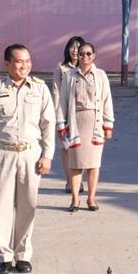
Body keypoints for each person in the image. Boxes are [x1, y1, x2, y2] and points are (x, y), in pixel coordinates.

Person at [0, 43, 56, 274]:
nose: (25, 66)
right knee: (2, 207)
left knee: (28, 206)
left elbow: (48, 124)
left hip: (31, 154)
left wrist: (47, 155)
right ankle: (4, 256)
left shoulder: (40, 89)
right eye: (19, 61)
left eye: (28, 61)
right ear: (7, 63)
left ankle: (22, 254)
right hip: (2, 153)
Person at [60, 40, 115, 212]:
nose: (84, 56)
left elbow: (107, 100)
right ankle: (75, 199)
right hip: (76, 122)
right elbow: (63, 102)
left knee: (93, 163)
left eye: (88, 53)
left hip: (95, 124)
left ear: (94, 56)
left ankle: (91, 198)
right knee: (75, 164)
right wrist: (62, 125)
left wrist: (108, 125)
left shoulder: (100, 75)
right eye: (82, 53)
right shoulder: (69, 76)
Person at [55, 35, 88, 195]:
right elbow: (56, 92)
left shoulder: (87, 68)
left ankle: (79, 180)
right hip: (66, 114)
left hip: (83, 116)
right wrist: (58, 118)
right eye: (72, 47)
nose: (75, 50)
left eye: (78, 47)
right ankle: (70, 180)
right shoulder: (61, 68)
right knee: (67, 148)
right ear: (67, 49)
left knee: (80, 148)